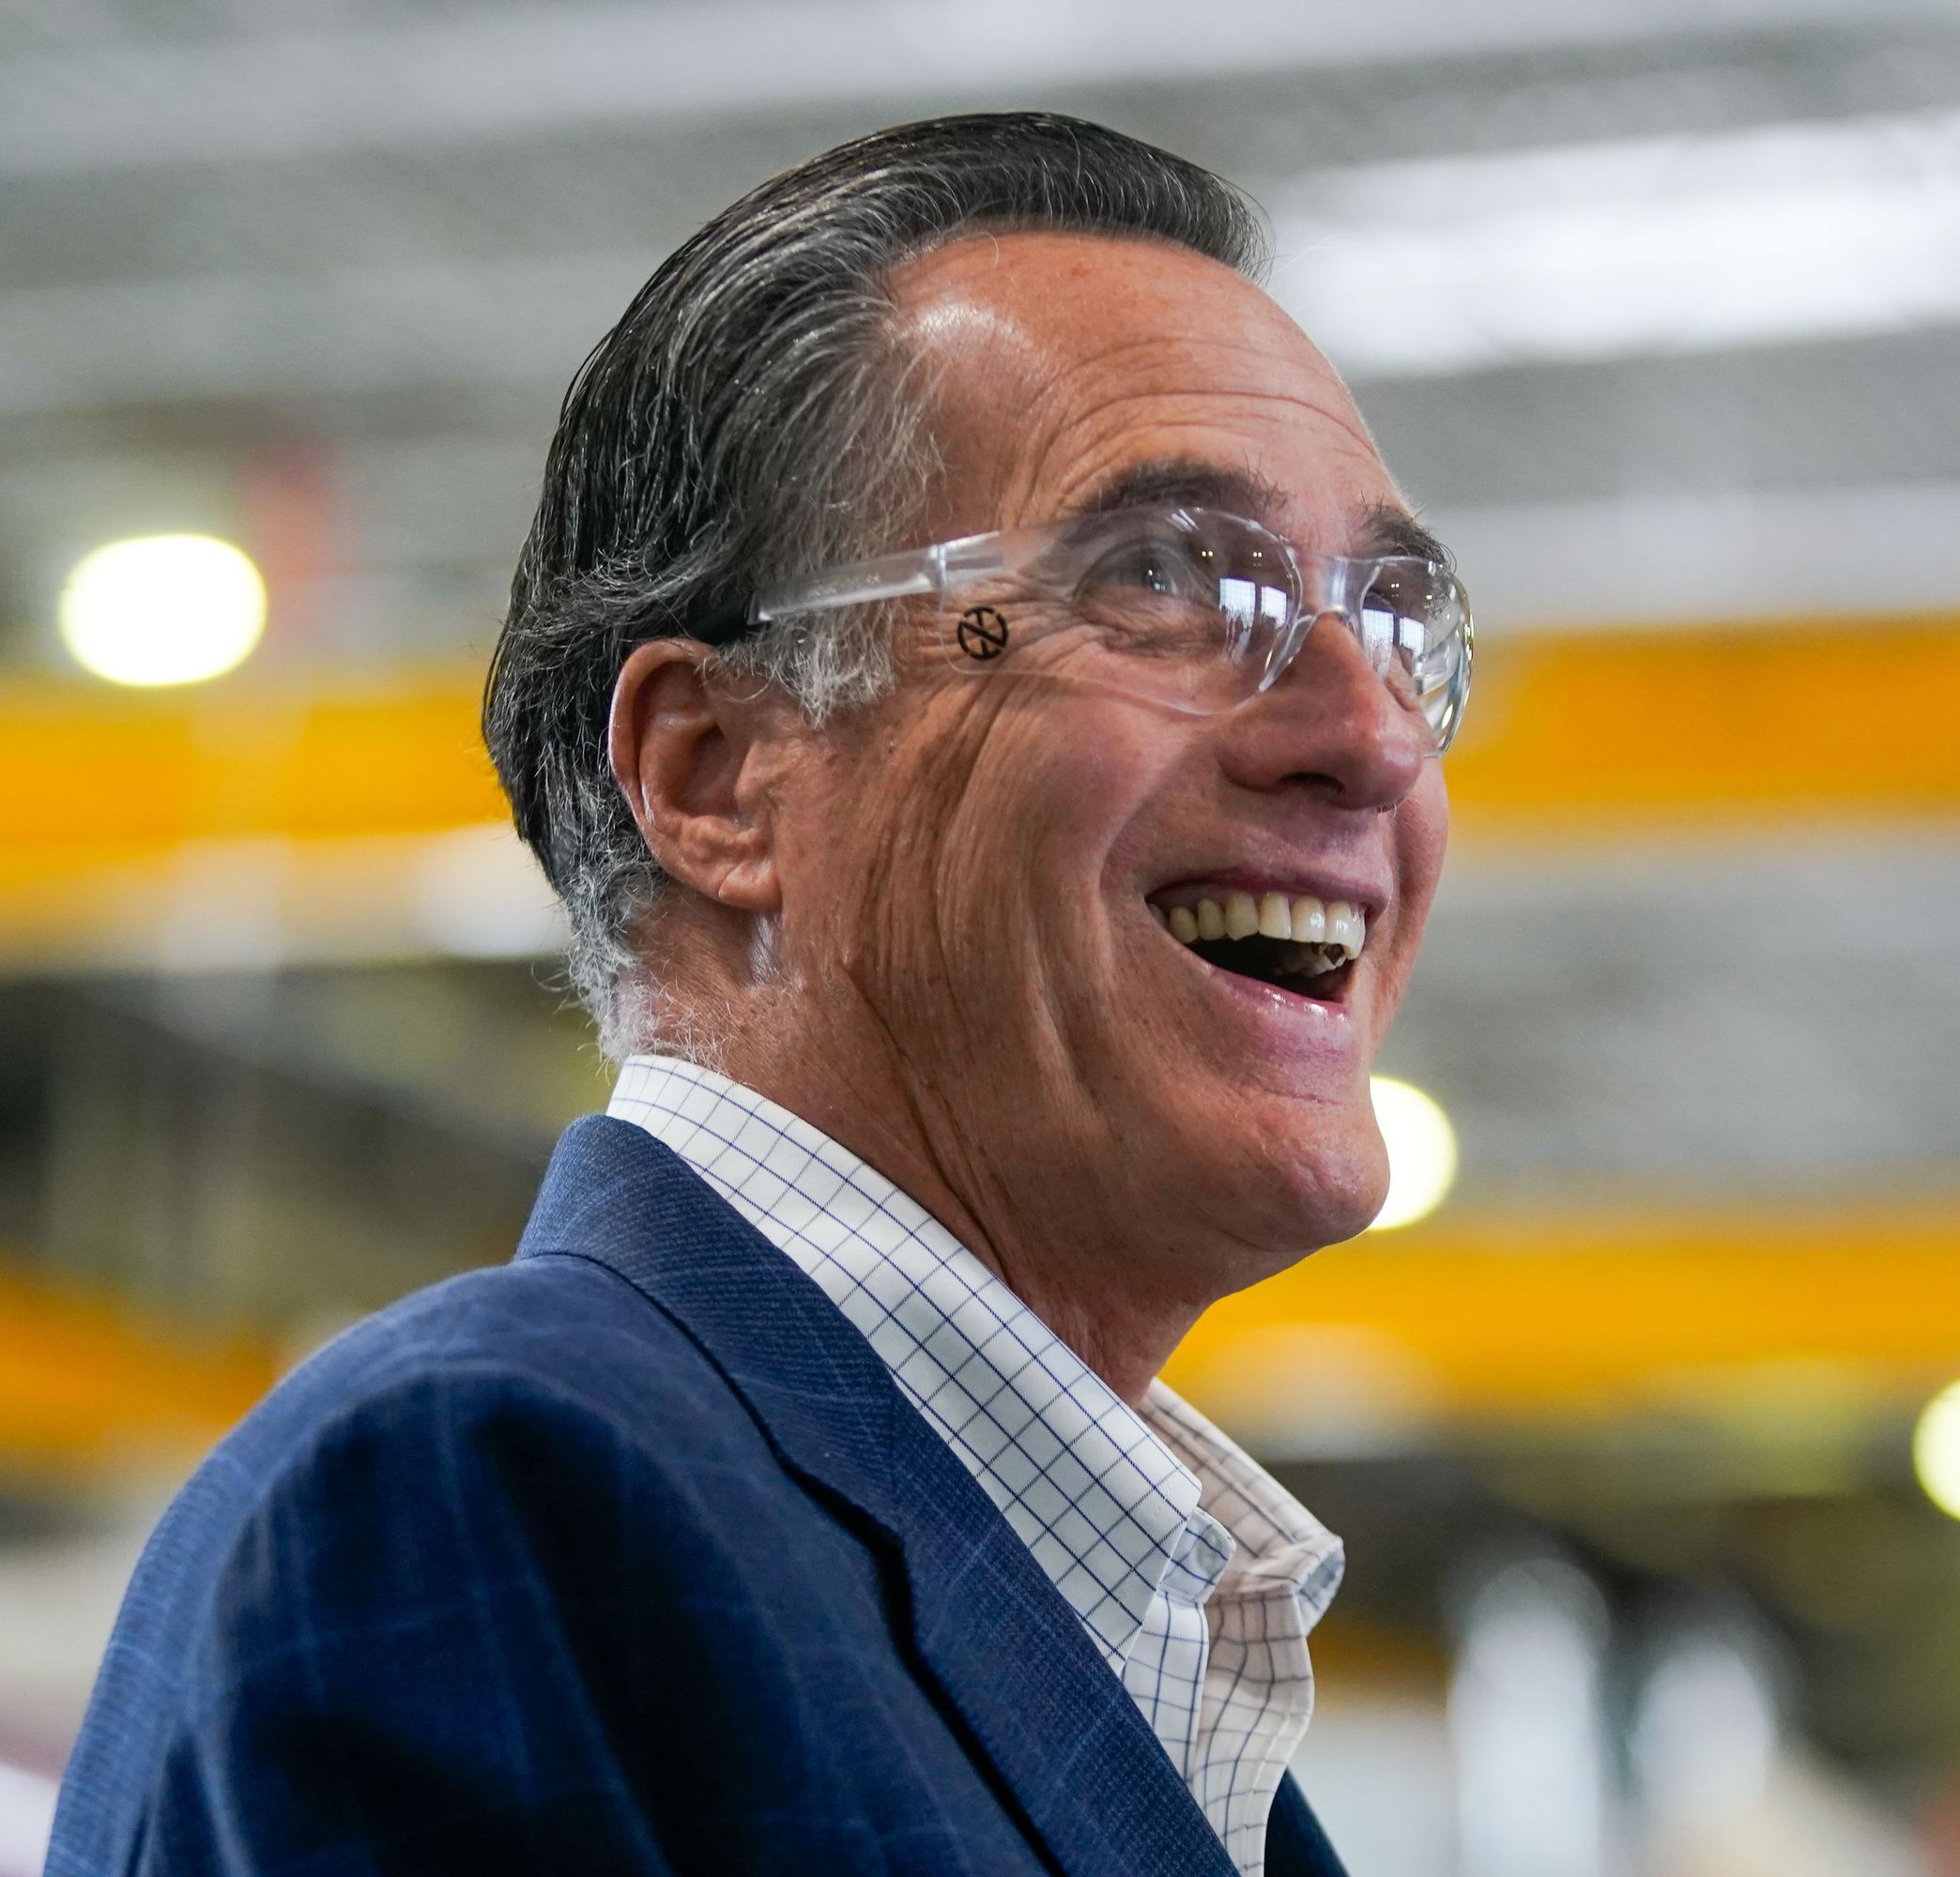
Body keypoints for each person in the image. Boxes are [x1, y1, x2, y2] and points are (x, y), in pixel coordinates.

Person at [46, 113, 1470, 1877]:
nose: (1373, 733)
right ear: (718, 773)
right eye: (1166, 582)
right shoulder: (497, 1506)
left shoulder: (1134, 1655)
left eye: (1400, 618)